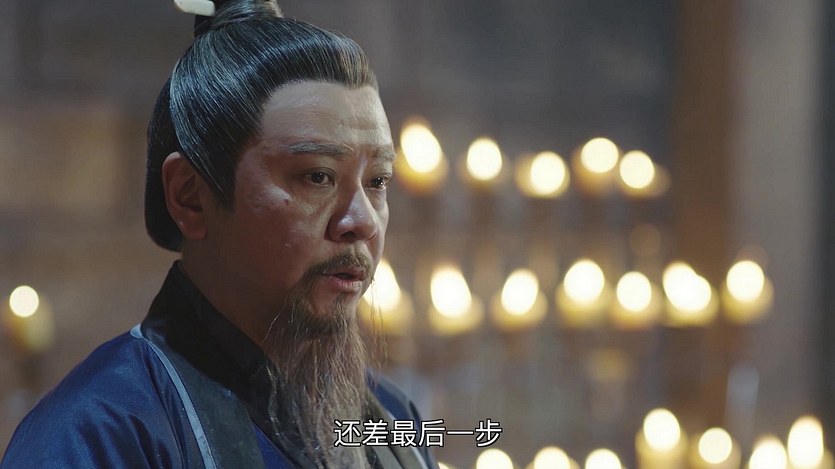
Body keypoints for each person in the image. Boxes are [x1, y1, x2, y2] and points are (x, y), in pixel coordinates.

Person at [1, 1, 438, 468]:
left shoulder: (391, 419)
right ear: (190, 196)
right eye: (317, 176)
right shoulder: (97, 434)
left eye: (378, 181)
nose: (363, 222)